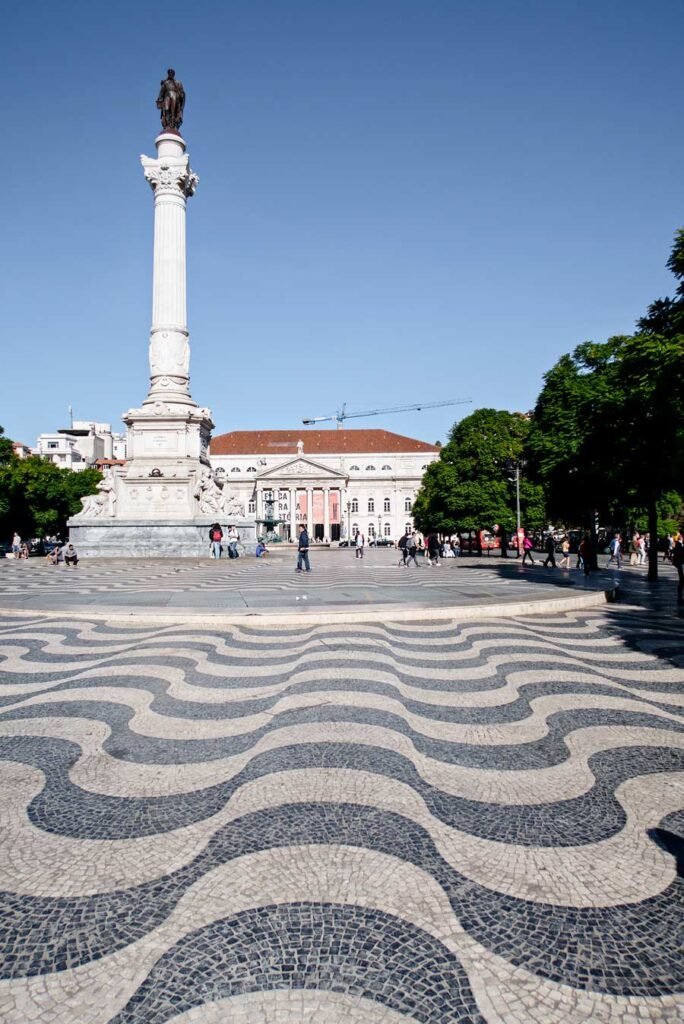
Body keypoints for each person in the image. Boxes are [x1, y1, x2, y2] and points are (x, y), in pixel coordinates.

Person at [672, 533, 684, 605]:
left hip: (680, 564)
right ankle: (680, 597)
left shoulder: (679, 545)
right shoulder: (679, 546)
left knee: (681, 581)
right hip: (682, 564)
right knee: (682, 581)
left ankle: (680, 597)